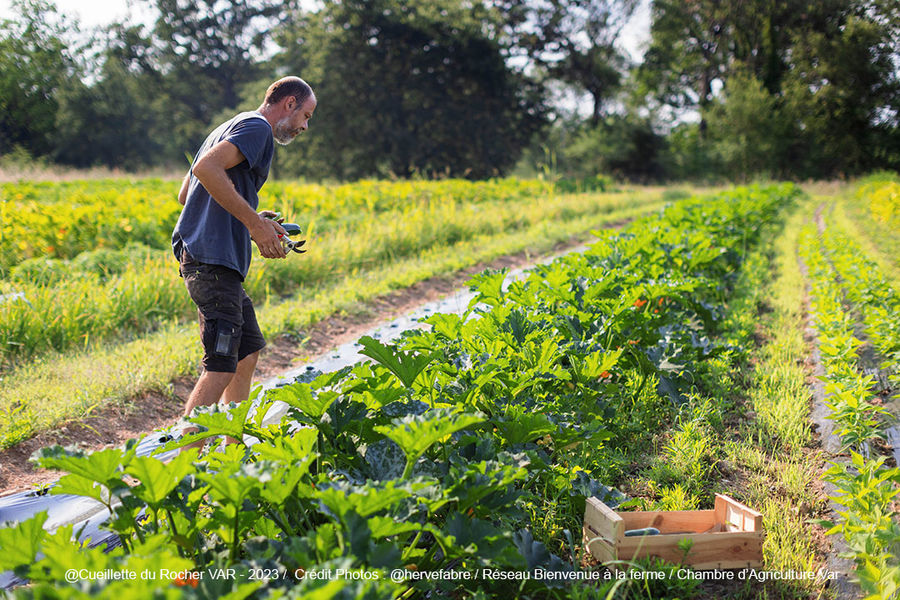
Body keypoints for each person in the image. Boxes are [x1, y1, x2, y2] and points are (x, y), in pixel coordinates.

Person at [172, 76, 316, 449]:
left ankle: (231, 453)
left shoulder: (228, 126)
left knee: (246, 350)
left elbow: (186, 193)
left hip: (214, 259)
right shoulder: (257, 128)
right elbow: (206, 171)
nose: (304, 127)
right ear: (289, 103)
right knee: (221, 363)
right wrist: (253, 224)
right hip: (211, 260)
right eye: (306, 116)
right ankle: (182, 468)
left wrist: (253, 215)